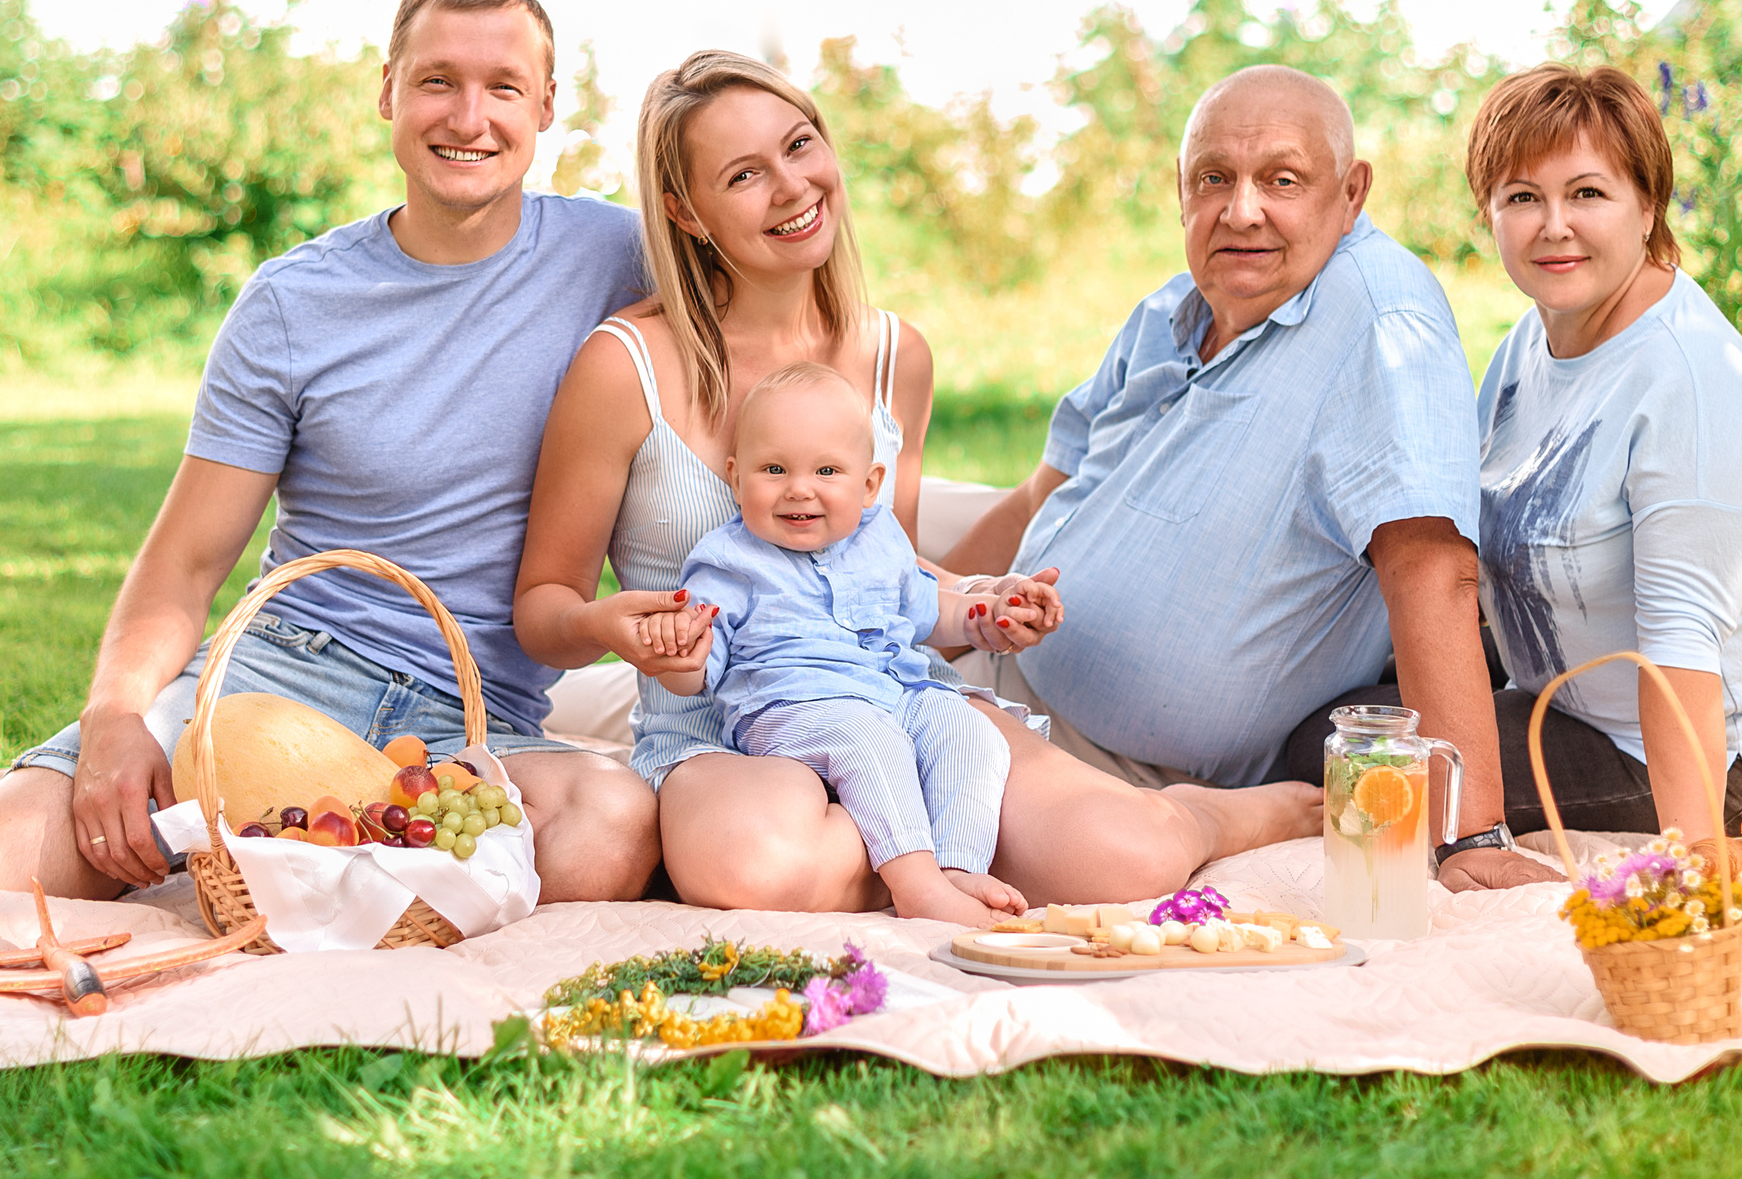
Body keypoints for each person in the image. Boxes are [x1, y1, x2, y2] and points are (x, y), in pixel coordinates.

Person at [0, 0, 663, 904]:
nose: (469, 117)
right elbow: (185, 562)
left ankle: (284, 855)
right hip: (278, 681)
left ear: (546, 105)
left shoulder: (614, 255)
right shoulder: (294, 302)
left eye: (503, 87)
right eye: (436, 81)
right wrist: (112, 717)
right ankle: (232, 834)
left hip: (476, 722)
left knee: (613, 830)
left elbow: (765, 282)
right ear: (389, 90)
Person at [516, 51, 1319, 912]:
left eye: (800, 145)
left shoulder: (895, 355)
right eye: (745, 174)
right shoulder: (624, 364)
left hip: (893, 697)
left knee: (1122, 857)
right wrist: (614, 625)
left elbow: (883, 572)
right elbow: (544, 611)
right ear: (685, 211)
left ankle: (1213, 814)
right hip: (723, 728)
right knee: (760, 867)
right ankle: (925, 859)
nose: (793, 187)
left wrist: (982, 600)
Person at [944, 64, 1562, 893]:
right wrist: (922, 630)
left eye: (1282, 179)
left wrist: (1466, 833)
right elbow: (1036, 496)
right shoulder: (1174, 305)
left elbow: (1431, 566)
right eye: (1213, 179)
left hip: (1121, 772)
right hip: (995, 679)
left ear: (1351, 194)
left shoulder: (1379, 322)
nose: (1241, 210)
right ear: (1181, 191)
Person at [1459, 63, 1742, 840]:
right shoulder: (1535, 337)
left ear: (1648, 204)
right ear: (1489, 213)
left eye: (1587, 193)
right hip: (1564, 699)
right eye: (1523, 197)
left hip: (1710, 771)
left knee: (1354, 753)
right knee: (1350, 714)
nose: (1553, 224)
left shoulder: (1690, 384)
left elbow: (1679, 651)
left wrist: (1692, 877)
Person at [643, 363, 1035, 926]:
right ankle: (917, 886)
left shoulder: (881, 539)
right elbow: (698, 672)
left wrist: (989, 616)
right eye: (774, 469)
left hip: (894, 691)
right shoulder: (728, 560)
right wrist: (681, 657)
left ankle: (955, 867)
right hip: (789, 704)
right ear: (735, 477)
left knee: (970, 734)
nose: (799, 488)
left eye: (827, 470)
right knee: (866, 740)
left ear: (870, 484)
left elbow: (930, 611)